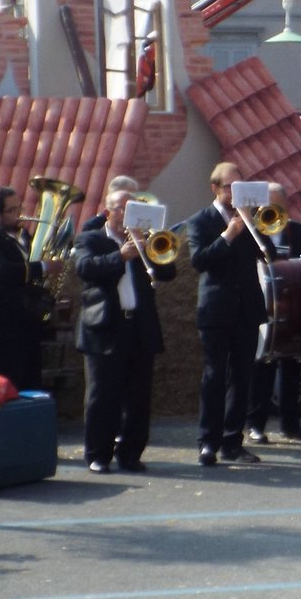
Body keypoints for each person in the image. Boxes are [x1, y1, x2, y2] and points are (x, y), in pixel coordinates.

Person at [73, 186, 174, 473]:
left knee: (139, 396)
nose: (126, 214)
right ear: (109, 211)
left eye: (132, 209)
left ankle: (131, 454)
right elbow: (85, 268)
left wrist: (147, 248)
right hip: (104, 327)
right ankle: (98, 455)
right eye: (121, 208)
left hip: (139, 325)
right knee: (102, 396)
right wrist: (121, 256)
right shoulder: (90, 238)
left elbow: (168, 273)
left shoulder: (144, 240)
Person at [186, 162, 268, 466]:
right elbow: (199, 260)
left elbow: (268, 252)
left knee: (242, 377)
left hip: (246, 309)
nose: (234, 193)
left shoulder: (248, 220)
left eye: (239, 187)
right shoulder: (201, 221)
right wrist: (228, 235)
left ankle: (233, 442)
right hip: (216, 310)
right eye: (229, 188)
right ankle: (208, 442)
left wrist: (255, 223)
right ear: (215, 189)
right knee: (214, 376)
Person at [0, 185, 58, 391]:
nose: (20, 214)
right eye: (13, 210)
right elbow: (2, 271)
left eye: (20, 208)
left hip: (25, 324)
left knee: (29, 386)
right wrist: (43, 267)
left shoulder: (23, 236)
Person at [245, 183, 301, 446]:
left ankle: (291, 425)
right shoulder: (251, 229)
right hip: (262, 303)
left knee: (292, 366)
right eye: (267, 205)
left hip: (290, 304)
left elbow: (300, 262)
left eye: (277, 204)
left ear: (285, 205)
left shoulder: (295, 228)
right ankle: (255, 426)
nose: (271, 209)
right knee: (261, 368)